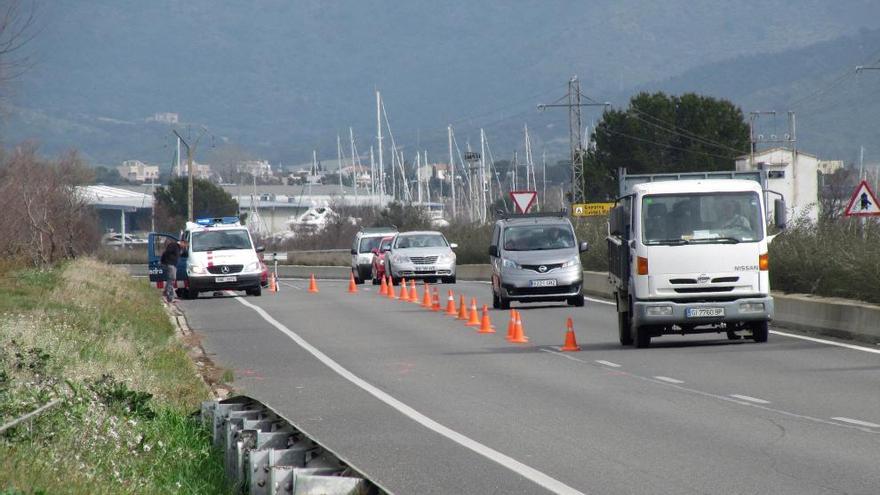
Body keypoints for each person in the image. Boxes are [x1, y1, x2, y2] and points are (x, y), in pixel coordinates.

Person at [160, 238, 185, 303]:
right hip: (169, 264)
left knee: (171, 280)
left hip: (173, 265)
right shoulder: (174, 245)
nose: (185, 246)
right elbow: (166, 252)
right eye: (185, 244)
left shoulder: (179, 248)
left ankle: (166, 294)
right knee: (172, 279)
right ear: (181, 242)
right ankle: (169, 297)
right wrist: (165, 261)